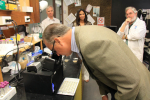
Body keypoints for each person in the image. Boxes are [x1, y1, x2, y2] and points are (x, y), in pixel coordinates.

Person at [43, 23, 150, 100]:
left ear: (57, 40)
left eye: (54, 50)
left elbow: (130, 84)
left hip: (135, 93)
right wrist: (103, 93)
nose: (56, 54)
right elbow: (99, 68)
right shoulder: (82, 34)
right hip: (122, 85)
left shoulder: (90, 44)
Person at [74, 8, 92, 82]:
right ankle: (79, 76)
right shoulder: (75, 24)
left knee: (86, 60)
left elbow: (91, 34)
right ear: (78, 15)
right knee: (79, 60)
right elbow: (74, 34)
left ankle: (86, 75)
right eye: (80, 14)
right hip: (78, 43)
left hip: (86, 43)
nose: (82, 15)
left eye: (83, 14)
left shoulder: (89, 23)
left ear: (85, 15)